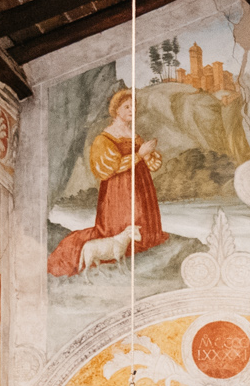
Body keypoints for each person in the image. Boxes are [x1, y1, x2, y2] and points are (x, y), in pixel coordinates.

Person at [47, 88, 167, 276]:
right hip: (119, 189)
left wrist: (147, 153)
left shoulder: (135, 135)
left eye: (134, 107)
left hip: (140, 183)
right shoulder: (104, 138)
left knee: (144, 221)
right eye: (127, 107)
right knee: (121, 223)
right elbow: (110, 168)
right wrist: (140, 154)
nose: (132, 110)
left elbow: (150, 163)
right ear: (116, 110)